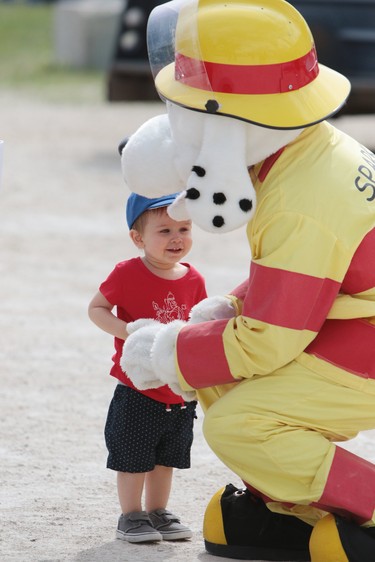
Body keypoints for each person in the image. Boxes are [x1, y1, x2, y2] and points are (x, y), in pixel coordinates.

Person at [117, 1, 375, 561]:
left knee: (239, 423)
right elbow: (294, 282)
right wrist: (222, 311)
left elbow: (270, 338)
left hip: (365, 342)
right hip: (354, 323)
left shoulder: (301, 198)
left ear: (230, 120)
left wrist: (169, 351)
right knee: (219, 377)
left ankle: (366, 502)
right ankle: (289, 510)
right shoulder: (299, 153)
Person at [88, 192, 207, 544]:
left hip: (177, 388)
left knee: (165, 458)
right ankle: (131, 516)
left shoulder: (193, 278)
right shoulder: (127, 273)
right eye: (165, 230)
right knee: (133, 457)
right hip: (138, 387)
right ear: (138, 238)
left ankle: (158, 512)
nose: (176, 238)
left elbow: (197, 325)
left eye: (183, 228)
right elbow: (96, 309)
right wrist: (125, 331)